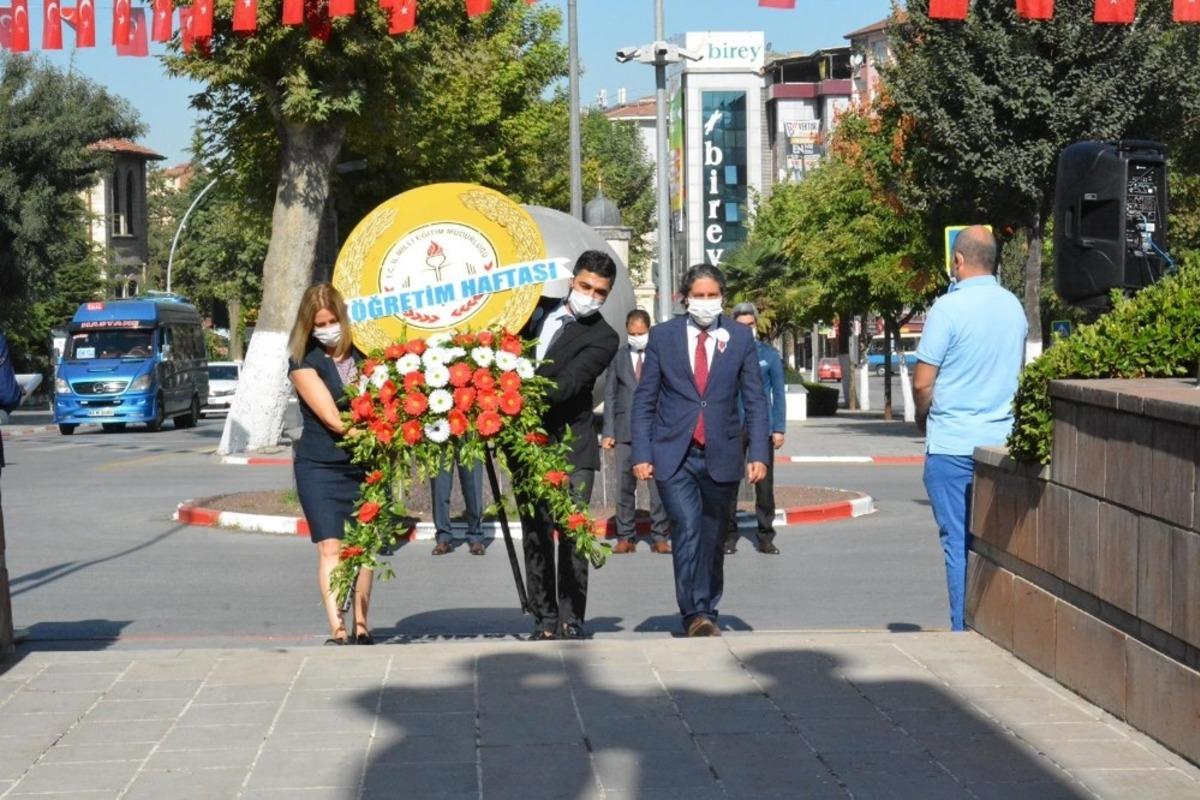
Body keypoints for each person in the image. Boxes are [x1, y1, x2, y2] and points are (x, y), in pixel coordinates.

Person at [631, 265, 769, 637]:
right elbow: (645, 400)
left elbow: (756, 399)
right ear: (684, 298)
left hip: (722, 453)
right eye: (699, 296)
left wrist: (759, 453)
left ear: (722, 297)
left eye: (712, 296)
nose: (705, 302)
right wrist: (641, 453)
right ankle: (694, 613)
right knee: (687, 527)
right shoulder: (663, 337)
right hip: (674, 454)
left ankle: (707, 605)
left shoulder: (739, 337)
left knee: (712, 535)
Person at [914, 225, 1026, 632]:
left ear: (957, 260)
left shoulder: (947, 309)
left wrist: (922, 417)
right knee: (993, 546)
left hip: (952, 447)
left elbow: (923, 383)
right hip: (1001, 446)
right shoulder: (1014, 307)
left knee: (958, 544)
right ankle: (998, 628)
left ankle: (963, 629)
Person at [516, 250, 620, 640]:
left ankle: (571, 618)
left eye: (600, 292)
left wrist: (510, 394)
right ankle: (544, 618)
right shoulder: (533, 311)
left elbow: (568, 385)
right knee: (535, 531)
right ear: (572, 280)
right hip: (528, 444)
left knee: (573, 532)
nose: (591, 296)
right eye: (585, 286)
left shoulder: (604, 338)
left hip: (571, 445)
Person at [287, 283, 375, 646]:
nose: (326, 329)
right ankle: (338, 626)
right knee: (330, 546)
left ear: (343, 317)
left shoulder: (366, 355)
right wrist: (378, 431)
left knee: (363, 546)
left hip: (364, 464)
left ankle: (362, 624)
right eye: (319, 324)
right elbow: (334, 420)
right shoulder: (303, 362)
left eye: (331, 321)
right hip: (320, 466)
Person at [601, 309, 671, 555]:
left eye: (641, 333)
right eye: (633, 333)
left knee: (658, 488)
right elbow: (610, 395)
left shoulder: (660, 355)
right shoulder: (618, 357)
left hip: (656, 432)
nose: (637, 337)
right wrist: (608, 431)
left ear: (649, 330)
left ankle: (660, 536)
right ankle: (625, 536)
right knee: (623, 486)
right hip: (625, 432)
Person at [723, 302, 787, 555]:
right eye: (741, 326)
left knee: (764, 485)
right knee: (729, 482)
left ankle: (765, 536)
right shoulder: (724, 354)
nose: (746, 329)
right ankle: (728, 537)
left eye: (750, 325)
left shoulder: (768, 355)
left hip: (762, 427)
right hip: (732, 426)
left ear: (756, 325)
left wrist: (779, 428)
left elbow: (778, 394)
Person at [429, 451, 486, 556]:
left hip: (469, 441)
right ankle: (443, 537)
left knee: (473, 487)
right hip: (439, 442)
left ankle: (476, 536)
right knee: (439, 488)